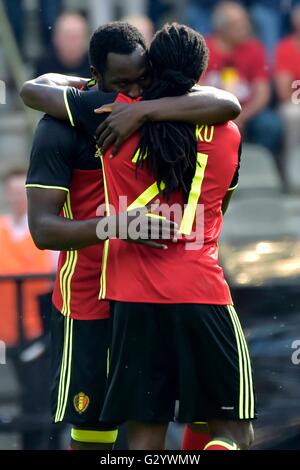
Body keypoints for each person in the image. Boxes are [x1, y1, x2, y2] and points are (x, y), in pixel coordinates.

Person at [21, 21, 241, 451]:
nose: (135, 93)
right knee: (96, 433)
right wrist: (115, 226)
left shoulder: (158, 114)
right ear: (95, 76)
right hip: (91, 300)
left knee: (174, 419)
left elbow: (226, 102)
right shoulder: (73, 118)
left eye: (142, 81)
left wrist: (141, 109)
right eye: (123, 84)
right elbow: (43, 231)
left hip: (143, 293)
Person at [0, 168, 56, 449]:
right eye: (11, 190)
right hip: (2, 336)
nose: (16, 197)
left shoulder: (47, 232)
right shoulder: (0, 229)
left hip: (36, 338)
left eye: (21, 190)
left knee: (38, 404)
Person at [202, 1, 284, 185]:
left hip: (247, 112)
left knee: (270, 125)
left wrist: (242, 116)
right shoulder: (203, 49)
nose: (246, 28)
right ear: (222, 29)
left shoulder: (254, 48)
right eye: (239, 24)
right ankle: (214, 180)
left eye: (246, 22)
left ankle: (260, 173)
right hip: (212, 114)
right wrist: (224, 116)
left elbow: (262, 93)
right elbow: (198, 91)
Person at [275, 4, 300, 168]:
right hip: (293, 104)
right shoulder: (286, 48)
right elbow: (284, 93)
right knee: (293, 114)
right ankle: (293, 168)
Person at [35, 11, 90, 78]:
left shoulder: (95, 65)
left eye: (77, 37)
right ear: (55, 39)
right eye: (67, 37)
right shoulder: (44, 65)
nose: (72, 43)